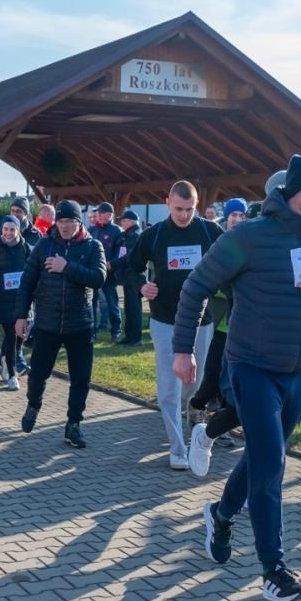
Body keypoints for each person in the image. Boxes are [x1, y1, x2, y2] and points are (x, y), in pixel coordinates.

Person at [172, 154, 301, 601]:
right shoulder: (248, 236)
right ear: (296, 188)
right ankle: (273, 570)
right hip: (251, 367)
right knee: (272, 465)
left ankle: (220, 514)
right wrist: (183, 351)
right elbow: (196, 286)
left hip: (299, 371)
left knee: (263, 457)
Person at [119, 181, 223, 469]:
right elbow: (131, 267)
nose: (183, 215)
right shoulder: (154, 235)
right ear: (167, 203)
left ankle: (190, 409)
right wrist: (142, 285)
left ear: (197, 205)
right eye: (178, 209)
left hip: (202, 322)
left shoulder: (209, 231)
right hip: (165, 319)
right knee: (168, 387)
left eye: (189, 209)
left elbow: (231, 263)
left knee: (195, 382)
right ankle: (178, 449)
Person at [16, 199, 106, 449]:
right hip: (47, 323)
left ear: (79, 222)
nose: (65, 226)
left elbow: (99, 278)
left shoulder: (92, 246)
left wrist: (66, 267)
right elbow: (27, 282)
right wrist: (21, 316)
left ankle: (73, 425)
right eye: (61, 221)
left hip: (80, 324)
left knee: (81, 379)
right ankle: (33, 405)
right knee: (37, 375)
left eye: (71, 221)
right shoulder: (44, 245)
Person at [186, 196, 249, 476]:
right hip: (222, 323)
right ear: (227, 218)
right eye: (233, 215)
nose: (237, 219)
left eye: (241, 215)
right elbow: (209, 280)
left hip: (243, 327)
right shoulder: (220, 241)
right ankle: (197, 409)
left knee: (229, 382)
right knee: (213, 376)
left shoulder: (248, 241)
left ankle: (218, 425)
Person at [0, 215, 29, 389]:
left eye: (12, 229)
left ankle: (5, 360)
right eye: (5, 229)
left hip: (22, 299)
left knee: (18, 335)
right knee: (12, 334)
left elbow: (32, 273)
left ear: (18, 230)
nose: (8, 232)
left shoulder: (26, 248)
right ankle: (12, 375)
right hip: (3, 299)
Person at [86, 201, 123, 343]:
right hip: (93, 273)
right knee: (91, 303)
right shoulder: (93, 230)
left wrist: (111, 264)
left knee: (112, 302)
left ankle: (116, 331)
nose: (99, 216)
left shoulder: (116, 231)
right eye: (98, 213)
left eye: (102, 213)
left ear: (111, 215)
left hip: (109, 274)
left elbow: (122, 253)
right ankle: (91, 331)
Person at [112, 208, 145, 344]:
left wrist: (112, 264)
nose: (122, 223)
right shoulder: (127, 235)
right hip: (127, 277)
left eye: (124, 221)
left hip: (134, 277)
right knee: (128, 308)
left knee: (134, 308)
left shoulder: (135, 235)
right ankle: (129, 336)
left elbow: (128, 257)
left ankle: (136, 338)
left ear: (130, 221)